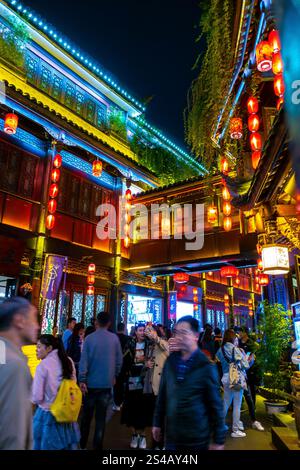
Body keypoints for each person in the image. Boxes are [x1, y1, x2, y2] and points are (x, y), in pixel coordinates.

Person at [153, 316, 225, 451]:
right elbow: (163, 395)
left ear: (195, 336)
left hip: (196, 438)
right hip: (172, 435)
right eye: (176, 332)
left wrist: (218, 439)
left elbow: (215, 404)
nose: (178, 336)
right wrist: (157, 423)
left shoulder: (205, 366)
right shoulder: (170, 361)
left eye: (183, 332)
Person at [78, 312, 123, 450]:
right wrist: (114, 375)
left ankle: (82, 445)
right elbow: (119, 361)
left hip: (90, 385)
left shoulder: (89, 338)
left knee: (86, 418)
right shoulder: (114, 339)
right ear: (109, 323)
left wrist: (82, 379)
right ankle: (98, 446)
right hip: (106, 384)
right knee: (100, 419)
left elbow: (83, 361)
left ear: (96, 322)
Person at [0, 298, 39, 450]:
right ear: (19, 320)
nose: (37, 326)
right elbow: (13, 435)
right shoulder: (15, 365)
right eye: (34, 318)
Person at [31, 335, 80, 450]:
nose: (36, 350)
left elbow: (37, 397)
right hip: (65, 413)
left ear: (49, 348)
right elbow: (73, 384)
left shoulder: (42, 366)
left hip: (47, 416)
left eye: (39, 347)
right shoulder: (68, 361)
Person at [121, 323, 155, 449]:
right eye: (139, 330)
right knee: (132, 409)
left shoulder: (150, 344)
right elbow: (124, 361)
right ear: (135, 332)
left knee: (144, 410)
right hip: (132, 380)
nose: (141, 332)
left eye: (143, 330)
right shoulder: (129, 343)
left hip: (145, 381)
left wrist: (148, 364)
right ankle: (135, 435)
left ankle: (143, 436)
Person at [216, 329, 250, 438]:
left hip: (226, 378)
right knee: (237, 404)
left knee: (225, 402)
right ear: (232, 338)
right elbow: (246, 365)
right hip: (235, 378)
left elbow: (218, 360)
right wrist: (247, 357)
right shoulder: (236, 349)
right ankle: (235, 430)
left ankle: (220, 426)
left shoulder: (220, 349)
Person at [144, 324, 169, 449]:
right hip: (151, 385)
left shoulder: (163, 342)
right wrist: (146, 363)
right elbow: (147, 360)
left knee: (162, 417)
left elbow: (166, 347)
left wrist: (156, 337)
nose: (148, 333)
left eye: (151, 331)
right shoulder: (149, 344)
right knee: (155, 417)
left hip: (161, 386)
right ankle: (155, 444)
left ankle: (162, 444)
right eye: (146, 331)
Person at [238, 327, 264, 431]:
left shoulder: (252, 344)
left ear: (245, 333)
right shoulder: (238, 343)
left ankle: (253, 411)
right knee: (245, 393)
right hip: (241, 372)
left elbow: (253, 357)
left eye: (240, 331)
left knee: (251, 390)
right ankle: (247, 415)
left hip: (251, 370)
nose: (239, 333)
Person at [113, 323, 131, 411]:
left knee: (116, 384)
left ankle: (116, 403)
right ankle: (122, 401)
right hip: (124, 365)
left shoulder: (113, 338)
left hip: (114, 364)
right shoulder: (128, 339)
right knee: (124, 383)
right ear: (124, 329)